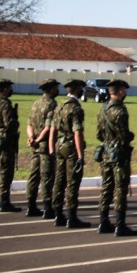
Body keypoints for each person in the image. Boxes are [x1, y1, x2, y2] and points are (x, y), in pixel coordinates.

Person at [96, 79, 137, 236]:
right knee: (120, 189)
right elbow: (124, 136)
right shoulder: (120, 111)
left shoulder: (103, 109)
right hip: (119, 155)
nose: (125, 93)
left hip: (106, 152)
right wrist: (130, 136)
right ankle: (120, 225)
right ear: (119, 91)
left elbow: (99, 134)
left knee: (106, 188)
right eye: (124, 90)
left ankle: (103, 221)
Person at [53, 79, 90, 228]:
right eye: (81, 88)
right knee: (72, 182)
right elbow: (77, 132)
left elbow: (54, 128)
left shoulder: (59, 106)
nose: (82, 90)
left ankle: (57, 214)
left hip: (59, 144)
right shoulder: (75, 108)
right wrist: (80, 155)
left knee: (59, 180)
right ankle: (72, 217)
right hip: (70, 146)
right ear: (76, 89)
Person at [25, 79, 59, 217]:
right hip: (44, 145)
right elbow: (48, 127)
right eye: (56, 88)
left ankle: (31, 205)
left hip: (35, 145)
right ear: (51, 89)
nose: (57, 90)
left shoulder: (36, 103)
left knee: (33, 176)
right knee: (47, 176)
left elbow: (29, 124)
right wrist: (38, 140)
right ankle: (47, 207)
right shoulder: (52, 105)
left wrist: (31, 138)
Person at [0, 79, 21, 212]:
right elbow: (9, 124)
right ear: (5, 89)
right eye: (10, 87)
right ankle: (4, 201)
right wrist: (16, 122)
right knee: (5, 171)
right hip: (5, 140)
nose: (11, 89)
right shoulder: (5, 104)